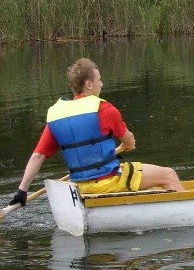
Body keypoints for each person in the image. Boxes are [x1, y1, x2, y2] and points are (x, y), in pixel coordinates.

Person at [5, 58, 183, 209]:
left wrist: (22, 191)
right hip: (109, 181)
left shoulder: (56, 116)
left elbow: (37, 156)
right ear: (89, 84)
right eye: (99, 79)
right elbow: (129, 141)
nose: (102, 83)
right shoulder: (104, 109)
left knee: (152, 185)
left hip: (79, 187)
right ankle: (187, 214)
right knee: (168, 175)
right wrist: (127, 145)